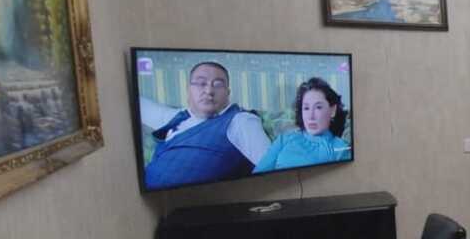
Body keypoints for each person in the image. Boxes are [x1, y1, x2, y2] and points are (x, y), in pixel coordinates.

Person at [139, 61, 270, 188]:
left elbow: (271, 166)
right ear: (189, 90)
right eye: (201, 83)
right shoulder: (176, 117)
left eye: (218, 85)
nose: (209, 91)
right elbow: (137, 103)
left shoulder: (241, 121)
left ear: (227, 93)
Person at [252, 77, 352, 173]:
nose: (311, 116)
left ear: (333, 110)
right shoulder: (285, 139)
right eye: (306, 108)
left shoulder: (340, 149)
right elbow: (258, 174)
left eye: (318, 107)